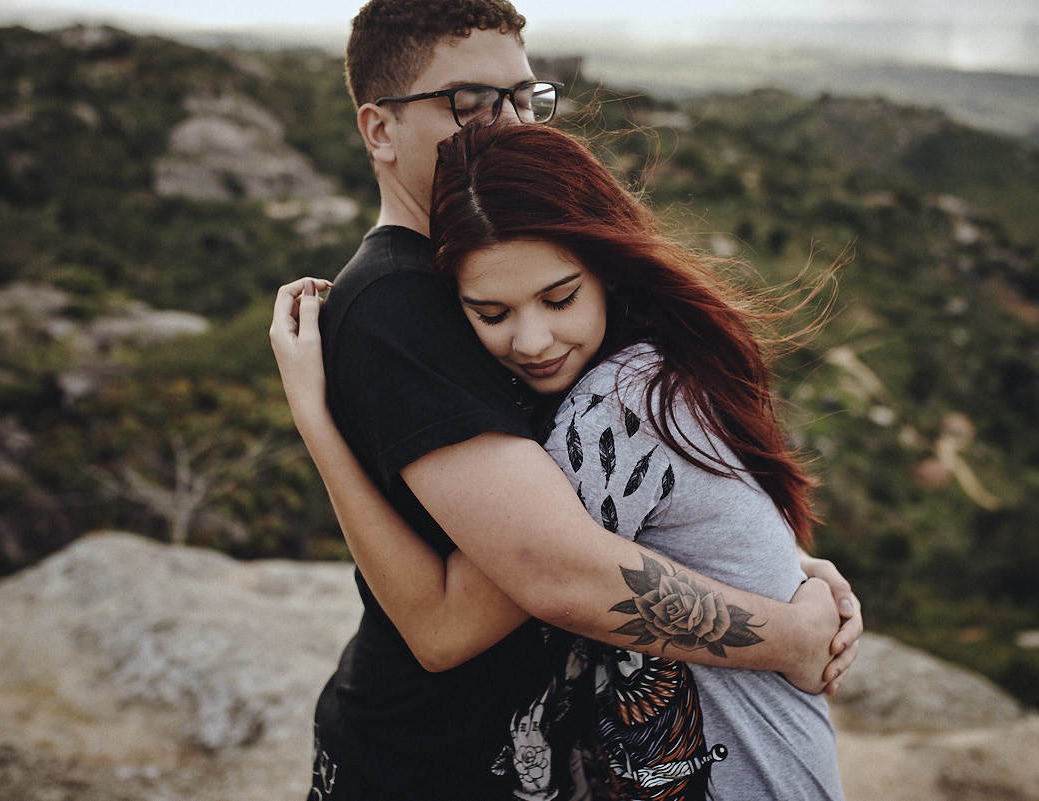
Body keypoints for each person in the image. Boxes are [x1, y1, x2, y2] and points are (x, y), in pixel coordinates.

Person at [269, 2, 860, 799]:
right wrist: (784, 631)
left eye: (522, 97)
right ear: (378, 130)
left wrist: (769, 563)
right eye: (470, 103)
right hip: (429, 763)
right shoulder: (398, 307)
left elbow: (607, 494)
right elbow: (531, 580)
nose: (509, 125)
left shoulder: (481, 266)